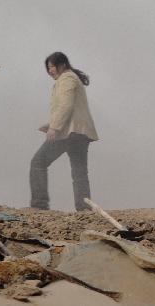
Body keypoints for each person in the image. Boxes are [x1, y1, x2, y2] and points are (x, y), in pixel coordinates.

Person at [30, 52, 98, 211]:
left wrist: (54, 127)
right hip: (80, 133)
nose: (50, 71)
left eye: (52, 67)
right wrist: (51, 124)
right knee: (79, 172)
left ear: (62, 65)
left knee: (38, 163)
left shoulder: (66, 79)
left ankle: (39, 205)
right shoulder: (73, 78)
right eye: (48, 68)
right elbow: (72, 108)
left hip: (68, 133)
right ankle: (84, 209)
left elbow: (65, 105)